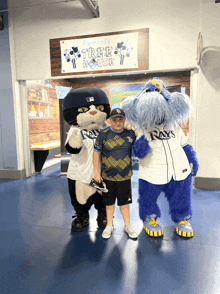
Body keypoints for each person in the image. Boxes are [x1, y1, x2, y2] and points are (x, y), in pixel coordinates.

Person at [93, 108, 138, 239]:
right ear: (109, 120)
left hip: (125, 176)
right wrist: (96, 172)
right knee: (109, 202)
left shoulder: (130, 134)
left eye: (120, 120)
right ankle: (109, 225)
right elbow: (96, 153)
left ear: (124, 120)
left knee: (124, 203)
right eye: (114, 120)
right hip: (107, 176)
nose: (117, 123)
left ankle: (127, 225)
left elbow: (139, 147)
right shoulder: (103, 134)